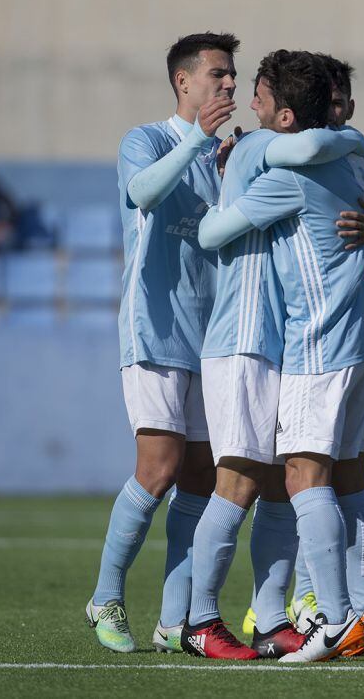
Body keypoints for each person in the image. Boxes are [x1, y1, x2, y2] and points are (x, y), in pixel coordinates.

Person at [190, 50, 364, 664]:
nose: (250, 102)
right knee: (348, 479)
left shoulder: (289, 173)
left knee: (295, 477)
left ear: (283, 115)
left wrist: (237, 165)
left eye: (261, 95)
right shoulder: (357, 160)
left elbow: (210, 233)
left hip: (317, 343)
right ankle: (363, 614)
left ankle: (327, 620)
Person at [85, 32, 238, 654]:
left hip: (214, 336)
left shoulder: (224, 154)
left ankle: (174, 618)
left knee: (202, 476)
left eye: (234, 77)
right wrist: (200, 139)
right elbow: (144, 194)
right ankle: (106, 595)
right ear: (184, 80)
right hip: (154, 327)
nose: (230, 85)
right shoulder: (145, 140)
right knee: (160, 468)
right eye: (220, 75)